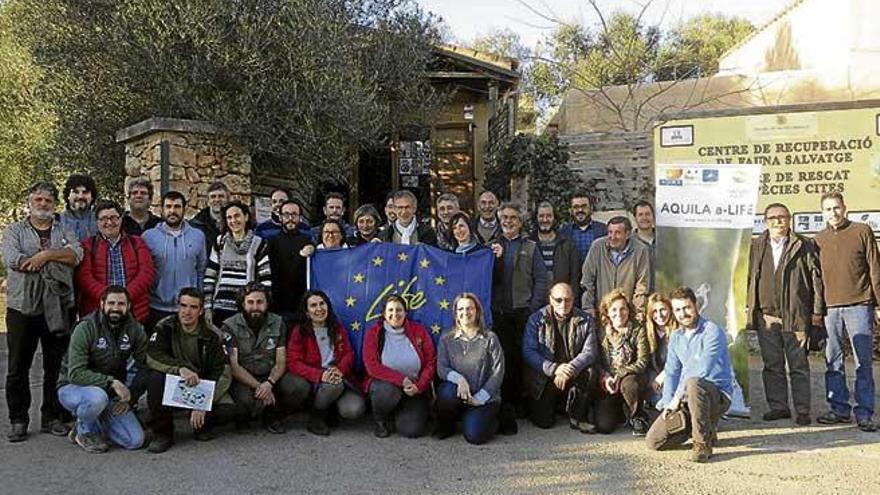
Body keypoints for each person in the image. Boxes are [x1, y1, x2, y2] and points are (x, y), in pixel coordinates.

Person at [3, 181, 82, 442]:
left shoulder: (65, 229)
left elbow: (75, 256)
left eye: (48, 200)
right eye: (38, 199)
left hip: (57, 307)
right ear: (30, 201)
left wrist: (44, 256)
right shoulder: (14, 231)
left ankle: (52, 417)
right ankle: (18, 419)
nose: (43, 204)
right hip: (22, 308)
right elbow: (14, 259)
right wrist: (49, 257)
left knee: (55, 364)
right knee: (17, 366)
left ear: (54, 204)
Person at [746, 203, 823, 426]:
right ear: (765, 221)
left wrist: (817, 311)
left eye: (782, 217)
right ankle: (778, 407)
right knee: (772, 365)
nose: (778, 221)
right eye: (773, 218)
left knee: (798, 365)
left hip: (796, 315)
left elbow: (816, 280)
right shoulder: (756, 245)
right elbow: (750, 278)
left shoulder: (804, 245)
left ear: (789, 220)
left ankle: (802, 410)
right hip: (766, 317)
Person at [813, 192, 880, 431]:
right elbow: (816, 280)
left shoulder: (862, 231)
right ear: (822, 213)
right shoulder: (818, 239)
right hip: (830, 309)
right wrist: (817, 311)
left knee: (863, 362)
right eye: (828, 209)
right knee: (833, 361)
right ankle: (839, 409)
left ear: (845, 208)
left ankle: (864, 413)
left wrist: (878, 304)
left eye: (837, 208)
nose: (833, 212)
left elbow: (875, 269)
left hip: (859, 305)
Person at [646, 287, 733, 463]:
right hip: (687, 397)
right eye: (677, 309)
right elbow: (671, 372)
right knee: (654, 441)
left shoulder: (712, 332)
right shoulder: (676, 337)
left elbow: (702, 369)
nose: (683, 313)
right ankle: (703, 428)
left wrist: (677, 398)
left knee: (694, 383)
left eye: (687, 307)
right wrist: (668, 405)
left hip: (716, 395)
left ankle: (702, 444)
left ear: (696, 305)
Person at [144, 287, 237, 453]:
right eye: (183, 305)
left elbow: (223, 371)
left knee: (228, 410)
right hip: (176, 380)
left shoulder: (213, 334)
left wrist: (202, 403)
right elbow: (152, 357)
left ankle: (201, 425)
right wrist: (179, 368)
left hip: (203, 385)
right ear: (177, 306)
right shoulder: (165, 326)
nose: (187, 312)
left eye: (193, 307)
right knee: (154, 378)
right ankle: (163, 433)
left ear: (201, 311)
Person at [57, 286, 148, 453]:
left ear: (128, 306)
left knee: (135, 441)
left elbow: (146, 365)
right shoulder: (86, 327)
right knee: (97, 398)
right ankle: (84, 432)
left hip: (110, 394)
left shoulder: (135, 329)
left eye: (121, 303)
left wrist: (131, 397)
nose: (115, 307)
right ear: (102, 304)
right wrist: (111, 382)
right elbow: (75, 373)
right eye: (111, 303)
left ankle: (95, 422)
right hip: (73, 388)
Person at [490, 201, 549, 433]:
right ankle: (505, 403)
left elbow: (541, 278)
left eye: (513, 218)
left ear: (520, 222)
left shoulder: (531, 247)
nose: (508, 221)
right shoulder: (491, 246)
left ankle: (523, 403)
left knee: (522, 359)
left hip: (523, 311)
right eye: (504, 217)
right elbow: (488, 279)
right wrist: (496, 259)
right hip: (499, 312)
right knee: (502, 359)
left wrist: (533, 307)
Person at [222, 283, 304, 434]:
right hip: (244, 377)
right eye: (250, 302)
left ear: (267, 303)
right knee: (244, 400)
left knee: (298, 387)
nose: (255, 307)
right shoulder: (229, 326)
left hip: (271, 374)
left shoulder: (278, 323)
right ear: (242, 303)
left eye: (260, 302)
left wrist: (269, 383)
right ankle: (244, 417)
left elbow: (281, 361)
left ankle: (273, 415)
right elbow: (234, 367)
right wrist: (259, 387)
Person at [287, 291, 366, 435]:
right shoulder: (300, 331)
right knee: (332, 385)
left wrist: (340, 370)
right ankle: (316, 417)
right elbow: (293, 362)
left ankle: (329, 408)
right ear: (306, 312)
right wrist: (320, 375)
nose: (319, 309)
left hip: (337, 376)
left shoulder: (337, 328)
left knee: (354, 409)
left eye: (322, 304)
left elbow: (349, 353)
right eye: (313, 305)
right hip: (314, 379)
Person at [522, 282, 597, 432]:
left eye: (568, 299)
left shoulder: (585, 320)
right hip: (547, 375)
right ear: (550, 299)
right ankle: (557, 406)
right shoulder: (536, 320)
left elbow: (590, 352)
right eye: (558, 300)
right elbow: (529, 352)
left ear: (573, 299)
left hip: (573, 372)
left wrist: (570, 368)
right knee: (544, 422)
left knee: (591, 372)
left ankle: (577, 415)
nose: (564, 304)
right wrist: (555, 369)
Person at [435, 293, 505, 444]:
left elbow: (497, 373)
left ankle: (495, 420)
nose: (465, 312)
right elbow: (441, 368)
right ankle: (449, 426)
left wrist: (481, 397)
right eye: (461, 309)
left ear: (477, 311)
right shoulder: (446, 337)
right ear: (455, 313)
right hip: (458, 394)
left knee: (474, 437)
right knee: (446, 392)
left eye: (469, 308)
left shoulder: (490, 338)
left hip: (484, 397)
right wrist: (460, 379)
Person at [363, 295, 436, 438]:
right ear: (384, 313)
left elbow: (431, 362)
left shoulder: (418, 330)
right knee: (386, 390)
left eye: (399, 310)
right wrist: (401, 380)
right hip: (387, 387)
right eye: (390, 310)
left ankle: (403, 414)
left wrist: (419, 386)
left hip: (414, 389)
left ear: (405, 313)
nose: (395, 314)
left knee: (412, 431)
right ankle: (381, 420)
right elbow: (371, 366)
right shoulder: (374, 333)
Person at [76, 200, 155, 323]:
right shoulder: (88, 245)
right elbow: (84, 278)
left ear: (121, 219)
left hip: (133, 312)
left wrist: (124, 297)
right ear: (97, 222)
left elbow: (146, 273)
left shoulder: (136, 242)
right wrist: (109, 298)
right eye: (103, 219)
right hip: (97, 313)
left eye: (113, 217)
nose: (109, 222)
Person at [142, 191, 207, 333]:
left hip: (187, 308)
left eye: (177, 206)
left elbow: (201, 270)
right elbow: (144, 270)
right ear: (162, 210)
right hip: (157, 307)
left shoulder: (198, 236)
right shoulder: (148, 236)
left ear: (184, 209)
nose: (172, 211)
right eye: (168, 206)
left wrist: (200, 300)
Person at [203, 201, 272, 325]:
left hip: (246, 308)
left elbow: (266, 279)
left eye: (237, 216)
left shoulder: (259, 243)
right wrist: (207, 307)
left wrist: (261, 306)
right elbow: (210, 276)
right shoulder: (220, 242)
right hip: (220, 307)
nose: (233, 220)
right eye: (229, 217)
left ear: (245, 217)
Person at [593, 289, 650, 436]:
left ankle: (637, 416)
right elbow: (596, 360)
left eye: (623, 308)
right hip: (608, 381)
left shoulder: (637, 330)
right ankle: (620, 409)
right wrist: (605, 377)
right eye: (614, 310)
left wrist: (620, 374)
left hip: (630, 378)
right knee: (604, 426)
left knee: (630, 384)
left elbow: (643, 361)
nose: (619, 313)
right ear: (607, 312)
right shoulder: (601, 333)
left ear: (628, 310)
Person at [580, 216, 651, 317]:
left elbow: (642, 285)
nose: (612, 237)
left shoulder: (641, 250)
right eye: (610, 232)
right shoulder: (597, 247)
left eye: (617, 233)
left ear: (627, 234)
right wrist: (587, 307)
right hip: (601, 311)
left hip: (627, 312)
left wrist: (639, 310)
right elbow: (587, 280)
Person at [267, 200, 313, 328]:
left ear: (300, 218)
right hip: (278, 304)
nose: (290, 219)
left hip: (301, 304)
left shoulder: (308, 240)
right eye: (286, 215)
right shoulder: (271, 242)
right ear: (280, 217)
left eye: (294, 215)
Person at [532, 201, 581, 304]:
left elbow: (575, 277)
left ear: (554, 218)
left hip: (562, 302)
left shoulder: (567, 245)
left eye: (549, 216)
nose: (545, 220)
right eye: (541, 216)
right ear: (536, 218)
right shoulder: (529, 244)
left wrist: (572, 301)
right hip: (535, 302)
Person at [558, 193, 606, 267]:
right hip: (572, 277)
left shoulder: (603, 230)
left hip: (597, 276)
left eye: (584, 206)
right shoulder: (563, 232)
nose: (580, 210)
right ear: (570, 211)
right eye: (576, 207)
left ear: (591, 208)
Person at [645, 293, 674, 409]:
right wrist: (653, 379)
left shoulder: (677, 331)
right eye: (655, 311)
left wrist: (661, 377)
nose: (659, 315)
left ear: (670, 310)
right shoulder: (647, 331)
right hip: (652, 377)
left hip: (671, 375)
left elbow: (679, 362)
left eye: (663, 310)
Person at [189, 181, 229, 255]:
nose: (217, 200)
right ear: (208, 201)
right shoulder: (195, 226)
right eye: (213, 196)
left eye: (221, 196)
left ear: (227, 199)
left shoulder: (236, 223)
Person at [59, 174, 99, 241]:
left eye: (85, 192)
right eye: (76, 192)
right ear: (68, 195)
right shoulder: (56, 221)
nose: (80, 196)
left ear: (92, 197)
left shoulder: (100, 221)